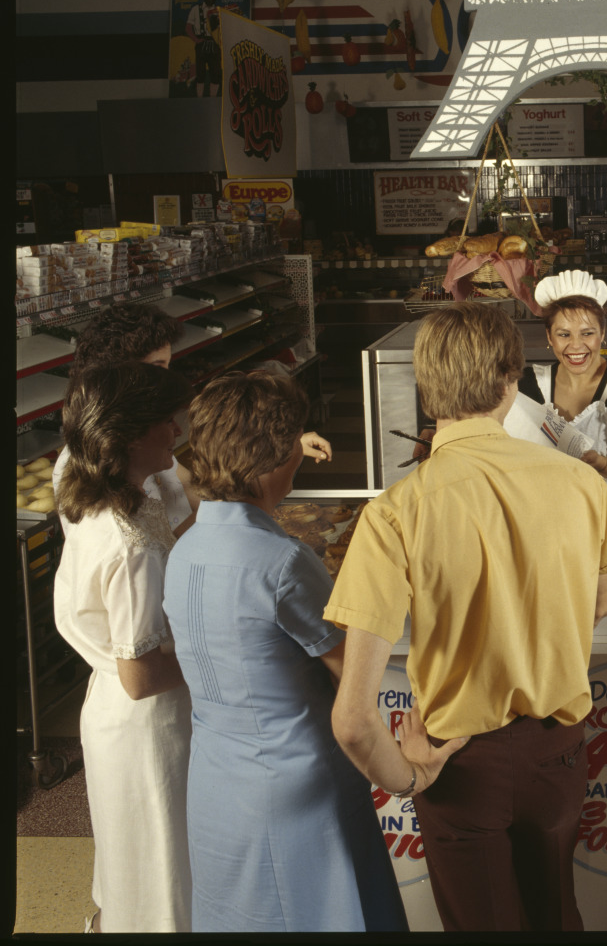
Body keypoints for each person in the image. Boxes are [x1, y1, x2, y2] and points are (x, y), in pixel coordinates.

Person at [327, 302, 607, 932]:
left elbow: (356, 723)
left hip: (458, 760)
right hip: (558, 750)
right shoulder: (583, 485)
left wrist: (410, 779)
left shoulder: (396, 511)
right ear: (511, 381)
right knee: (555, 915)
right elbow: (600, 603)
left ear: (425, 390)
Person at [162, 371, 407, 932]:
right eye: (292, 446)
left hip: (218, 784)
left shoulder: (185, 547)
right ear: (268, 462)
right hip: (295, 784)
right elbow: (354, 675)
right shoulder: (283, 562)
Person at [52, 362, 195, 934]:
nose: (178, 431)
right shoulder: (128, 541)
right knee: (157, 863)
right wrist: (219, 651)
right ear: (132, 434)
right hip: (144, 722)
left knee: (135, 858)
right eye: (167, 421)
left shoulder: (116, 498)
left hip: (115, 707)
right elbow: (140, 675)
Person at [51, 303, 333, 533]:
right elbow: (150, 540)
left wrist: (273, 444)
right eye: (157, 368)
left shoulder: (144, 440)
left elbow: (193, 487)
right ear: (116, 376)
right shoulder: (90, 465)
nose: (165, 380)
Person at [504, 268, 607, 509]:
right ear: (549, 337)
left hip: (606, 511)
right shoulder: (528, 384)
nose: (576, 346)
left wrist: (600, 462)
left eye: (587, 333)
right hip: (544, 510)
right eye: (564, 334)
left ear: (602, 333)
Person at [185, 0, 222, 97]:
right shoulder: (196, 9)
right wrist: (196, 40)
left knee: (215, 73)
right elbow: (188, 27)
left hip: (214, 44)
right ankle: (199, 99)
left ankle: (213, 99)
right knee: (200, 74)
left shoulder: (219, 11)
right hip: (201, 44)